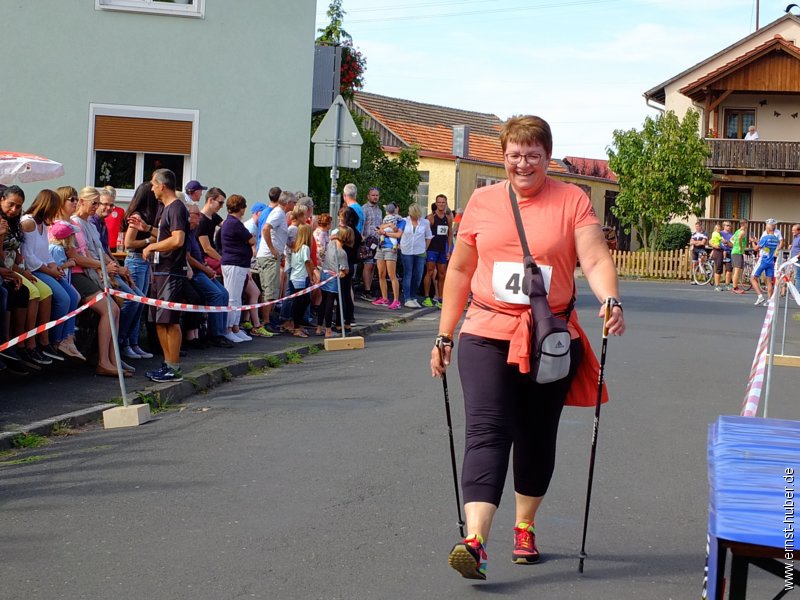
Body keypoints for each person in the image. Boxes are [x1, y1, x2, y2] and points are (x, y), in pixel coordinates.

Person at [429, 115, 625, 581]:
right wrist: (444, 333)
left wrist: (610, 298)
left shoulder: (572, 200)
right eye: (514, 155)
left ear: (547, 158)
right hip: (486, 331)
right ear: (503, 157)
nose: (523, 163)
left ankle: (524, 525)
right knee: (487, 428)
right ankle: (474, 541)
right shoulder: (480, 202)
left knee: (537, 435)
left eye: (532, 155)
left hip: (550, 338)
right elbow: (458, 271)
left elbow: (594, 256)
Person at [67, 188, 128, 377]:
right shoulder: (75, 224)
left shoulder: (91, 225)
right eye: (94, 203)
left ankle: (112, 358)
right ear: (82, 202)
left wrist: (109, 265)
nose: (97, 207)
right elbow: (78, 257)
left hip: (93, 272)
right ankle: (104, 360)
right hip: (79, 274)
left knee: (116, 308)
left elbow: (100, 251)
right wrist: (102, 266)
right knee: (110, 309)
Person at [21, 189, 81, 361]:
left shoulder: (41, 224)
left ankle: (64, 337)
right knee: (63, 298)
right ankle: (50, 339)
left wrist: (55, 266)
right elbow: (29, 256)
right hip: (34, 270)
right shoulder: (29, 223)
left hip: (44, 268)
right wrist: (50, 270)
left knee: (73, 296)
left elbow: (45, 253)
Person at [141, 168, 190, 383]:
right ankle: (167, 363)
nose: (151, 188)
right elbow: (166, 234)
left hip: (170, 270)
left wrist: (153, 247)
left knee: (169, 319)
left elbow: (178, 239)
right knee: (159, 321)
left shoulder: (177, 208)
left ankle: (174, 366)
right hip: (160, 271)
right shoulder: (166, 208)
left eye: (153, 184)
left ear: (162, 185)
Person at [1, 186, 55, 367]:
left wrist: (20, 267)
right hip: (8, 268)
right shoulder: (17, 222)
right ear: (1, 200)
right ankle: (12, 343)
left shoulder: (14, 221)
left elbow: (17, 251)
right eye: (11, 205)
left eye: (18, 206)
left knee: (40, 291)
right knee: (19, 292)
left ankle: (30, 343)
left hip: (12, 268)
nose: (14, 210)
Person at [184, 203, 233, 348]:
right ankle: (215, 334)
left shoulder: (192, 233)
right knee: (216, 294)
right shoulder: (186, 233)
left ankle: (221, 331)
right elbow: (188, 258)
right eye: (196, 214)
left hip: (202, 269)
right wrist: (205, 269)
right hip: (196, 273)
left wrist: (206, 267)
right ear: (188, 216)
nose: (199, 217)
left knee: (224, 293)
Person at [220, 194, 258, 343]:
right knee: (233, 298)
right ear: (241, 208)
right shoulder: (234, 224)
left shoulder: (233, 223)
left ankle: (235, 326)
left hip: (239, 264)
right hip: (234, 264)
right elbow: (252, 239)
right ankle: (228, 328)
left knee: (237, 298)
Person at [256, 190, 295, 332]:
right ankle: (266, 321)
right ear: (287, 203)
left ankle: (268, 319)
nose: (295, 205)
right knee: (270, 290)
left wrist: (280, 250)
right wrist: (272, 249)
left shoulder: (280, 214)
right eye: (294, 202)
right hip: (268, 257)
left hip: (273, 256)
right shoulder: (278, 213)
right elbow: (266, 229)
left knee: (273, 290)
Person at [316, 226, 351, 337]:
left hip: (324, 274)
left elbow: (334, 233)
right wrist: (345, 271)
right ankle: (328, 330)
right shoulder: (342, 253)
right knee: (330, 304)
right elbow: (345, 269)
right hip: (333, 278)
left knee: (323, 301)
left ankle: (319, 327)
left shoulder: (331, 244)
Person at [286, 224, 318, 337]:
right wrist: (311, 276)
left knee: (303, 301)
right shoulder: (305, 248)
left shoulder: (296, 247)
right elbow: (307, 262)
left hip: (295, 276)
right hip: (301, 277)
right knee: (300, 302)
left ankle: (297, 325)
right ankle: (296, 327)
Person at [399, 202, 432, 308]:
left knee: (418, 275)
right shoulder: (404, 221)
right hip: (406, 251)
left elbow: (428, 236)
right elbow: (398, 232)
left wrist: (425, 249)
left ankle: (413, 297)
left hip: (420, 251)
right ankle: (407, 298)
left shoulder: (425, 223)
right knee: (408, 274)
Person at [422, 194, 453, 307]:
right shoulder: (430, 218)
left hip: (442, 250)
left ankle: (440, 298)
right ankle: (426, 297)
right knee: (429, 272)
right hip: (431, 249)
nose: (441, 204)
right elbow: (424, 233)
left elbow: (449, 235)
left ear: (445, 203)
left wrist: (448, 250)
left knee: (442, 274)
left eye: (443, 202)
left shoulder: (448, 218)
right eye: (439, 202)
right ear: (436, 203)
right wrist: (424, 248)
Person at [371, 202, 402, 309]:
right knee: (381, 273)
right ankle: (384, 298)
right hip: (381, 246)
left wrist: (384, 232)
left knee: (391, 274)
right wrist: (387, 227)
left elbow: (398, 233)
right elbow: (379, 227)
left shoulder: (401, 221)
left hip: (390, 248)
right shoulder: (387, 219)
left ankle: (396, 300)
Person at [360, 187, 382, 301]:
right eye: (373, 195)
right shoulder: (364, 209)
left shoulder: (379, 210)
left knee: (373, 265)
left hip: (377, 241)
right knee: (368, 265)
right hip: (367, 241)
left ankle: (369, 287)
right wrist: (361, 237)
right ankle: (366, 290)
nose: (375, 197)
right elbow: (361, 223)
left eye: (377, 195)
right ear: (368, 196)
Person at [752, 222, 780, 306]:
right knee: (769, 282)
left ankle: (760, 296)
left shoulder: (765, 237)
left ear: (768, 229)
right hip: (771, 261)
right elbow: (767, 248)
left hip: (763, 261)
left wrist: (753, 242)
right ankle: (769, 300)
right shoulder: (776, 239)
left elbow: (756, 248)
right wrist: (759, 242)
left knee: (753, 278)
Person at [709, 222, 733, 291]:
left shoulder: (732, 235)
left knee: (729, 269)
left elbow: (732, 245)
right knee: (719, 268)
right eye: (727, 225)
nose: (729, 227)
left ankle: (727, 284)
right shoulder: (719, 232)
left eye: (730, 226)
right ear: (724, 226)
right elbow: (710, 242)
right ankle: (717, 285)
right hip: (719, 252)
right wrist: (715, 246)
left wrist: (727, 243)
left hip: (728, 252)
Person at [729, 219, 750, 294]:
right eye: (747, 223)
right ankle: (735, 288)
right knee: (737, 270)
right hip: (738, 252)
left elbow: (731, 239)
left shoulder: (737, 231)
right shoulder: (742, 232)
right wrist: (740, 247)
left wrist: (735, 244)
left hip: (735, 252)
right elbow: (739, 238)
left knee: (736, 270)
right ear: (745, 224)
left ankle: (735, 286)